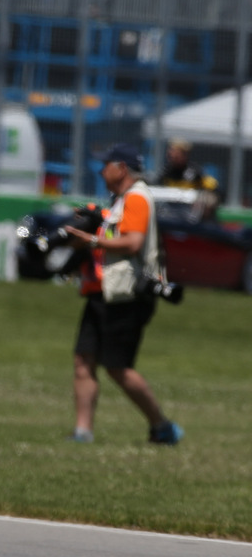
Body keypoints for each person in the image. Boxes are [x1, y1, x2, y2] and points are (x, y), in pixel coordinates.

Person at [63, 143, 182, 446]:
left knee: (117, 367)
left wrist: (92, 241)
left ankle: (162, 426)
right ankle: (82, 432)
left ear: (122, 169)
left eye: (107, 164)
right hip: (105, 290)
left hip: (128, 295)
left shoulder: (137, 198)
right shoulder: (121, 201)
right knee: (84, 359)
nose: (102, 170)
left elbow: (132, 242)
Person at [156, 137, 220, 219]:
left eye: (177, 153)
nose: (172, 156)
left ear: (185, 155)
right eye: (171, 153)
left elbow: (214, 189)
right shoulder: (165, 173)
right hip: (168, 215)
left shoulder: (195, 173)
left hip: (191, 219)